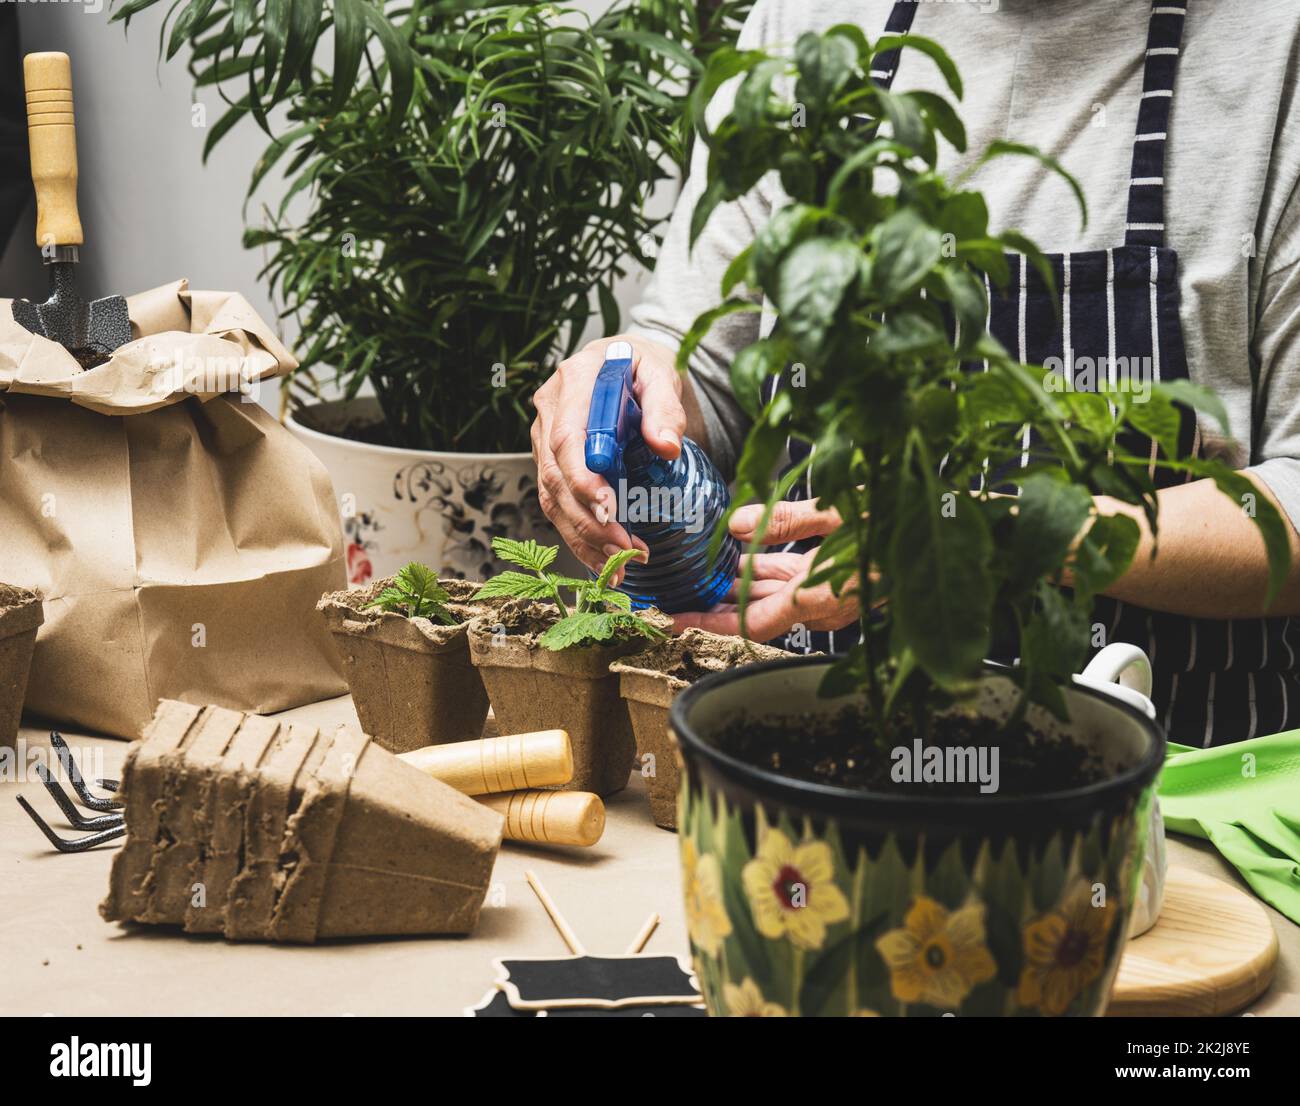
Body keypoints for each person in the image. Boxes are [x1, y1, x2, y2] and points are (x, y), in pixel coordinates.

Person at [530, 0, 1300, 746]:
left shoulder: (1275, 46)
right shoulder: (809, 22)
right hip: (813, 747)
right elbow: (704, 365)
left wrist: (995, 527)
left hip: (1171, 787)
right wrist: (628, 382)